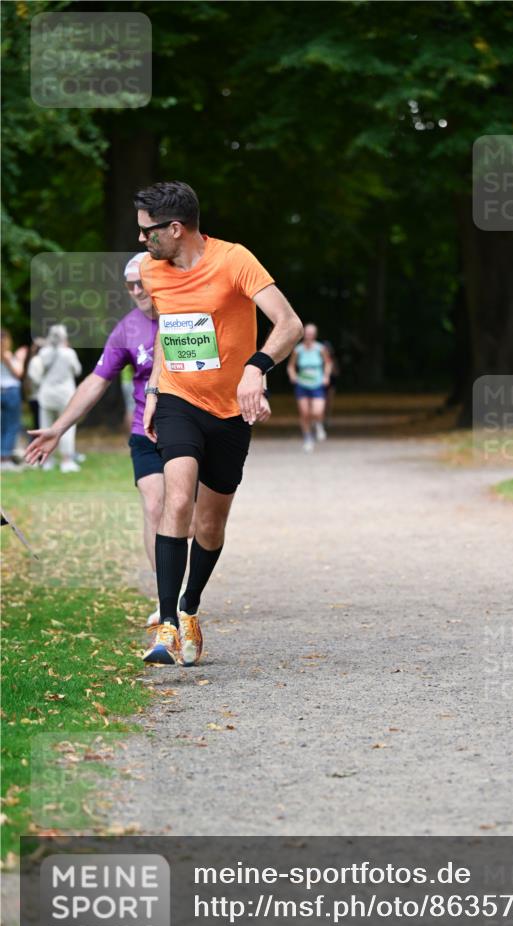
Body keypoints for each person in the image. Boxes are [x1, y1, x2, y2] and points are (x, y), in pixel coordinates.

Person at [136, 180, 302, 667]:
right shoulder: (151, 270)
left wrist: (256, 368)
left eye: (148, 231)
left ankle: (189, 608)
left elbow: (288, 323)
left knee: (210, 522)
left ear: (175, 228)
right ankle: (166, 625)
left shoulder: (234, 260)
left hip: (230, 410)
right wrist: (152, 389)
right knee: (177, 496)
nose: (141, 240)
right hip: (178, 399)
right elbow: (170, 330)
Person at [25, 253, 174, 624]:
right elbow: (96, 381)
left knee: (194, 517)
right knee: (154, 507)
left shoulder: (187, 316)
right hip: (146, 431)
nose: (137, 290)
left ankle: (188, 586)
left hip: (188, 429)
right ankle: (168, 598)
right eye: (130, 286)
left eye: (142, 282)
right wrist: (58, 428)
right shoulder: (127, 328)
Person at [27, 325, 82, 472]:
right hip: (66, 395)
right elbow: (77, 370)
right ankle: (67, 460)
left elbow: (35, 374)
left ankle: (47, 461)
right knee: (67, 427)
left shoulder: (44, 353)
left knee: (46, 427)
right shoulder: (69, 353)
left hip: (46, 394)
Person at [287, 322, 332, 452]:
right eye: (307, 333)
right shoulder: (298, 350)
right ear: (303, 334)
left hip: (317, 383)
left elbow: (328, 363)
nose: (309, 336)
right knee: (305, 413)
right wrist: (293, 375)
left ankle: (318, 424)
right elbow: (291, 366)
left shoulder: (320, 348)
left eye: (311, 334)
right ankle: (308, 438)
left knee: (317, 411)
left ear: (315, 335)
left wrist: (326, 376)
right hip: (302, 384)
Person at [1, 329, 28, 471]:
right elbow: (18, 373)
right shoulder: (6, 355)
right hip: (10, 392)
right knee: (11, 425)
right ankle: (4, 458)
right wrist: (20, 359)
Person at [321, 337, 340, 427]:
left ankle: (327, 418)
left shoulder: (333, 360)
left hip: (332, 382)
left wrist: (330, 371)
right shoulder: (318, 359)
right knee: (321, 402)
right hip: (321, 382)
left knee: (329, 402)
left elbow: (336, 372)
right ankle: (320, 418)